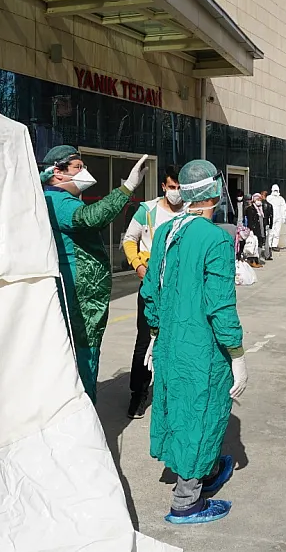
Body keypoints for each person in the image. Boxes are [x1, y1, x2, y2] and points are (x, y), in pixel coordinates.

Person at [140, 159, 248, 525]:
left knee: (178, 408)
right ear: (214, 191)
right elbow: (220, 304)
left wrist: (154, 335)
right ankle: (186, 501)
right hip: (201, 346)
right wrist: (236, 353)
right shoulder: (216, 238)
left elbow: (150, 290)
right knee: (200, 413)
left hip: (171, 341)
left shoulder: (167, 231)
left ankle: (201, 469)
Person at [41, 145, 147, 403]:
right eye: (78, 167)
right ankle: (84, 412)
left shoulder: (60, 200)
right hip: (77, 294)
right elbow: (89, 218)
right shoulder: (57, 200)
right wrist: (127, 188)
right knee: (82, 357)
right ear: (58, 172)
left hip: (82, 294)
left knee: (82, 354)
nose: (85, 172)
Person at [121, 164, 184, 419]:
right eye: (172, 187)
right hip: (151, 288)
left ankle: (172, 395)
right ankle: (138, 394)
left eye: (180, 188)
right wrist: (136, 264)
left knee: (177, 341)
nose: (176, 192)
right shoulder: (147, 210)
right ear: (163, 186)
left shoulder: (190, 213)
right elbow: (128, 239)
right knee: (145, 341)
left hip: (180, 288)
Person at [244, 193, 269, 265]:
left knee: (260, 244)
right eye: (257, 199)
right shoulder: (250, 209)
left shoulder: (261, 209)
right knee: (253, 245)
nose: (259, 201)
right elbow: (250, 220)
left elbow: (263, 219)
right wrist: (251, 230)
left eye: (259, 199)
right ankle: (252, 261)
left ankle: (257, 259)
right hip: (254, 230)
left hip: (261, 229)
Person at [266, 184, 286, 252]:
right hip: (271, 217)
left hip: (279, 217)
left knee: (277, 232)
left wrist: (283, 217)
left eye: (276, 190)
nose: (275, 191)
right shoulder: (269, 198)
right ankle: (269, 245)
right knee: (270, 232)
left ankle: (274, 245)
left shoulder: (281, 199)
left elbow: (284, 208)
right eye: (274, 190)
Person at [258, 191, 275, 260]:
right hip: (267, 224)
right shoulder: (269, 205)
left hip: (261, 224)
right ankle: (267, 255)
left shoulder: (259, 205)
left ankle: (258, 255)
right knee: (266, 240)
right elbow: (271, 216)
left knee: (260, 239)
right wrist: (271, 225)